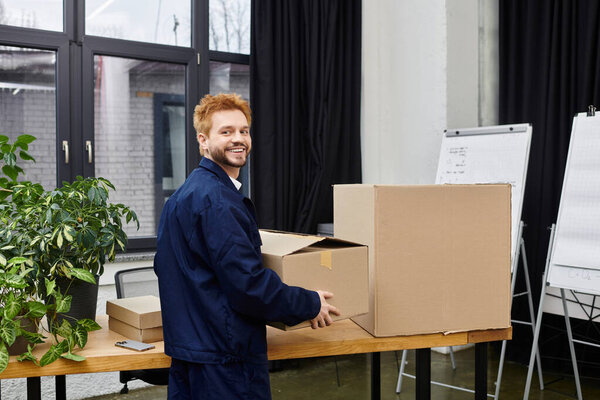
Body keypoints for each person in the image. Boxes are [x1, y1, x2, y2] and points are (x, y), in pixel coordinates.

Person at [154, 93, 340, 400]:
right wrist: (309, 303)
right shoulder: (218, 201)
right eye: (226, 132)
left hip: (191, 355)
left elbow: (167, 268)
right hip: (225, 363)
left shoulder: (185, 194)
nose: (238, 139)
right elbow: (249, 287)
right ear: (203, 141)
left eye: (244, 130)